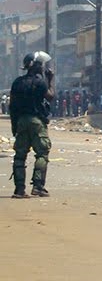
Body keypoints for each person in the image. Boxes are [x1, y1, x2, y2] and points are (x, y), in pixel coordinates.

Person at [9, 51, 54, 198]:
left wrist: (14, 126)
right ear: (35, 66)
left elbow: (12, 107)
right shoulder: (40, 82)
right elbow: (50, 96)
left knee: (20, 155)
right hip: (36, 122)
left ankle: (19, 190)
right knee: (42, 153)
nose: (42, 67)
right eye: (40, 65)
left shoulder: (17, 83)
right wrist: (50, 79)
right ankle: (38, 186)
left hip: (21, 121)